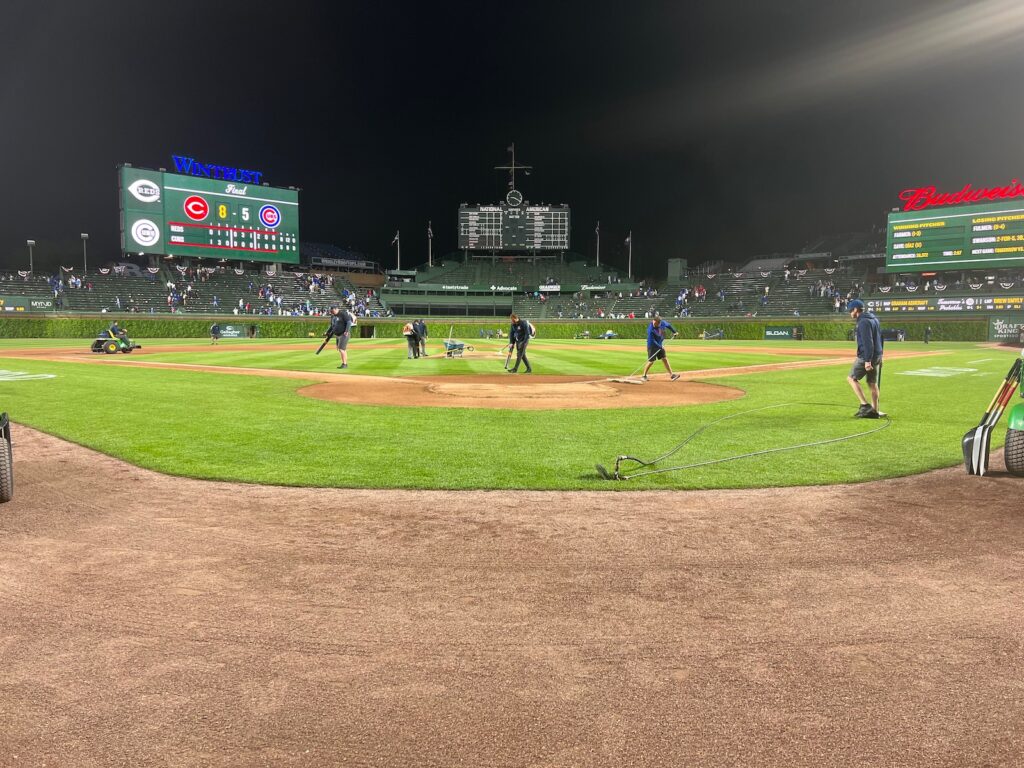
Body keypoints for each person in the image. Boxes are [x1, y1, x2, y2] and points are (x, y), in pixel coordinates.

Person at [847, 299, 884, 418]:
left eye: (850, 310)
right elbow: (880, 338)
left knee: (851, 378)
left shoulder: (863, 322)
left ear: (856, 310)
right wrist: (880, 356)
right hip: (877, 355)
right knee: (872, 383)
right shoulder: (874, 319)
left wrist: (867, 361)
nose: (850, 313)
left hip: (866, 357)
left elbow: (868, 342)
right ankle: (874, 411)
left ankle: (864, 405)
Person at [641, 312, 680, 382]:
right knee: (651, 361)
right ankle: (643, 376)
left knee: (664, 359)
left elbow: (669, 326)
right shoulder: (650, 329)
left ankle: (672, 375)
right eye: (655, 324)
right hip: (652, 346)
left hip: (659, 344)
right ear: (654, 321)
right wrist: (660, 347)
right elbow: (652, 340)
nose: (656, 325)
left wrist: (674, 332)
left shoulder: (662, 323)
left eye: (658, 324)